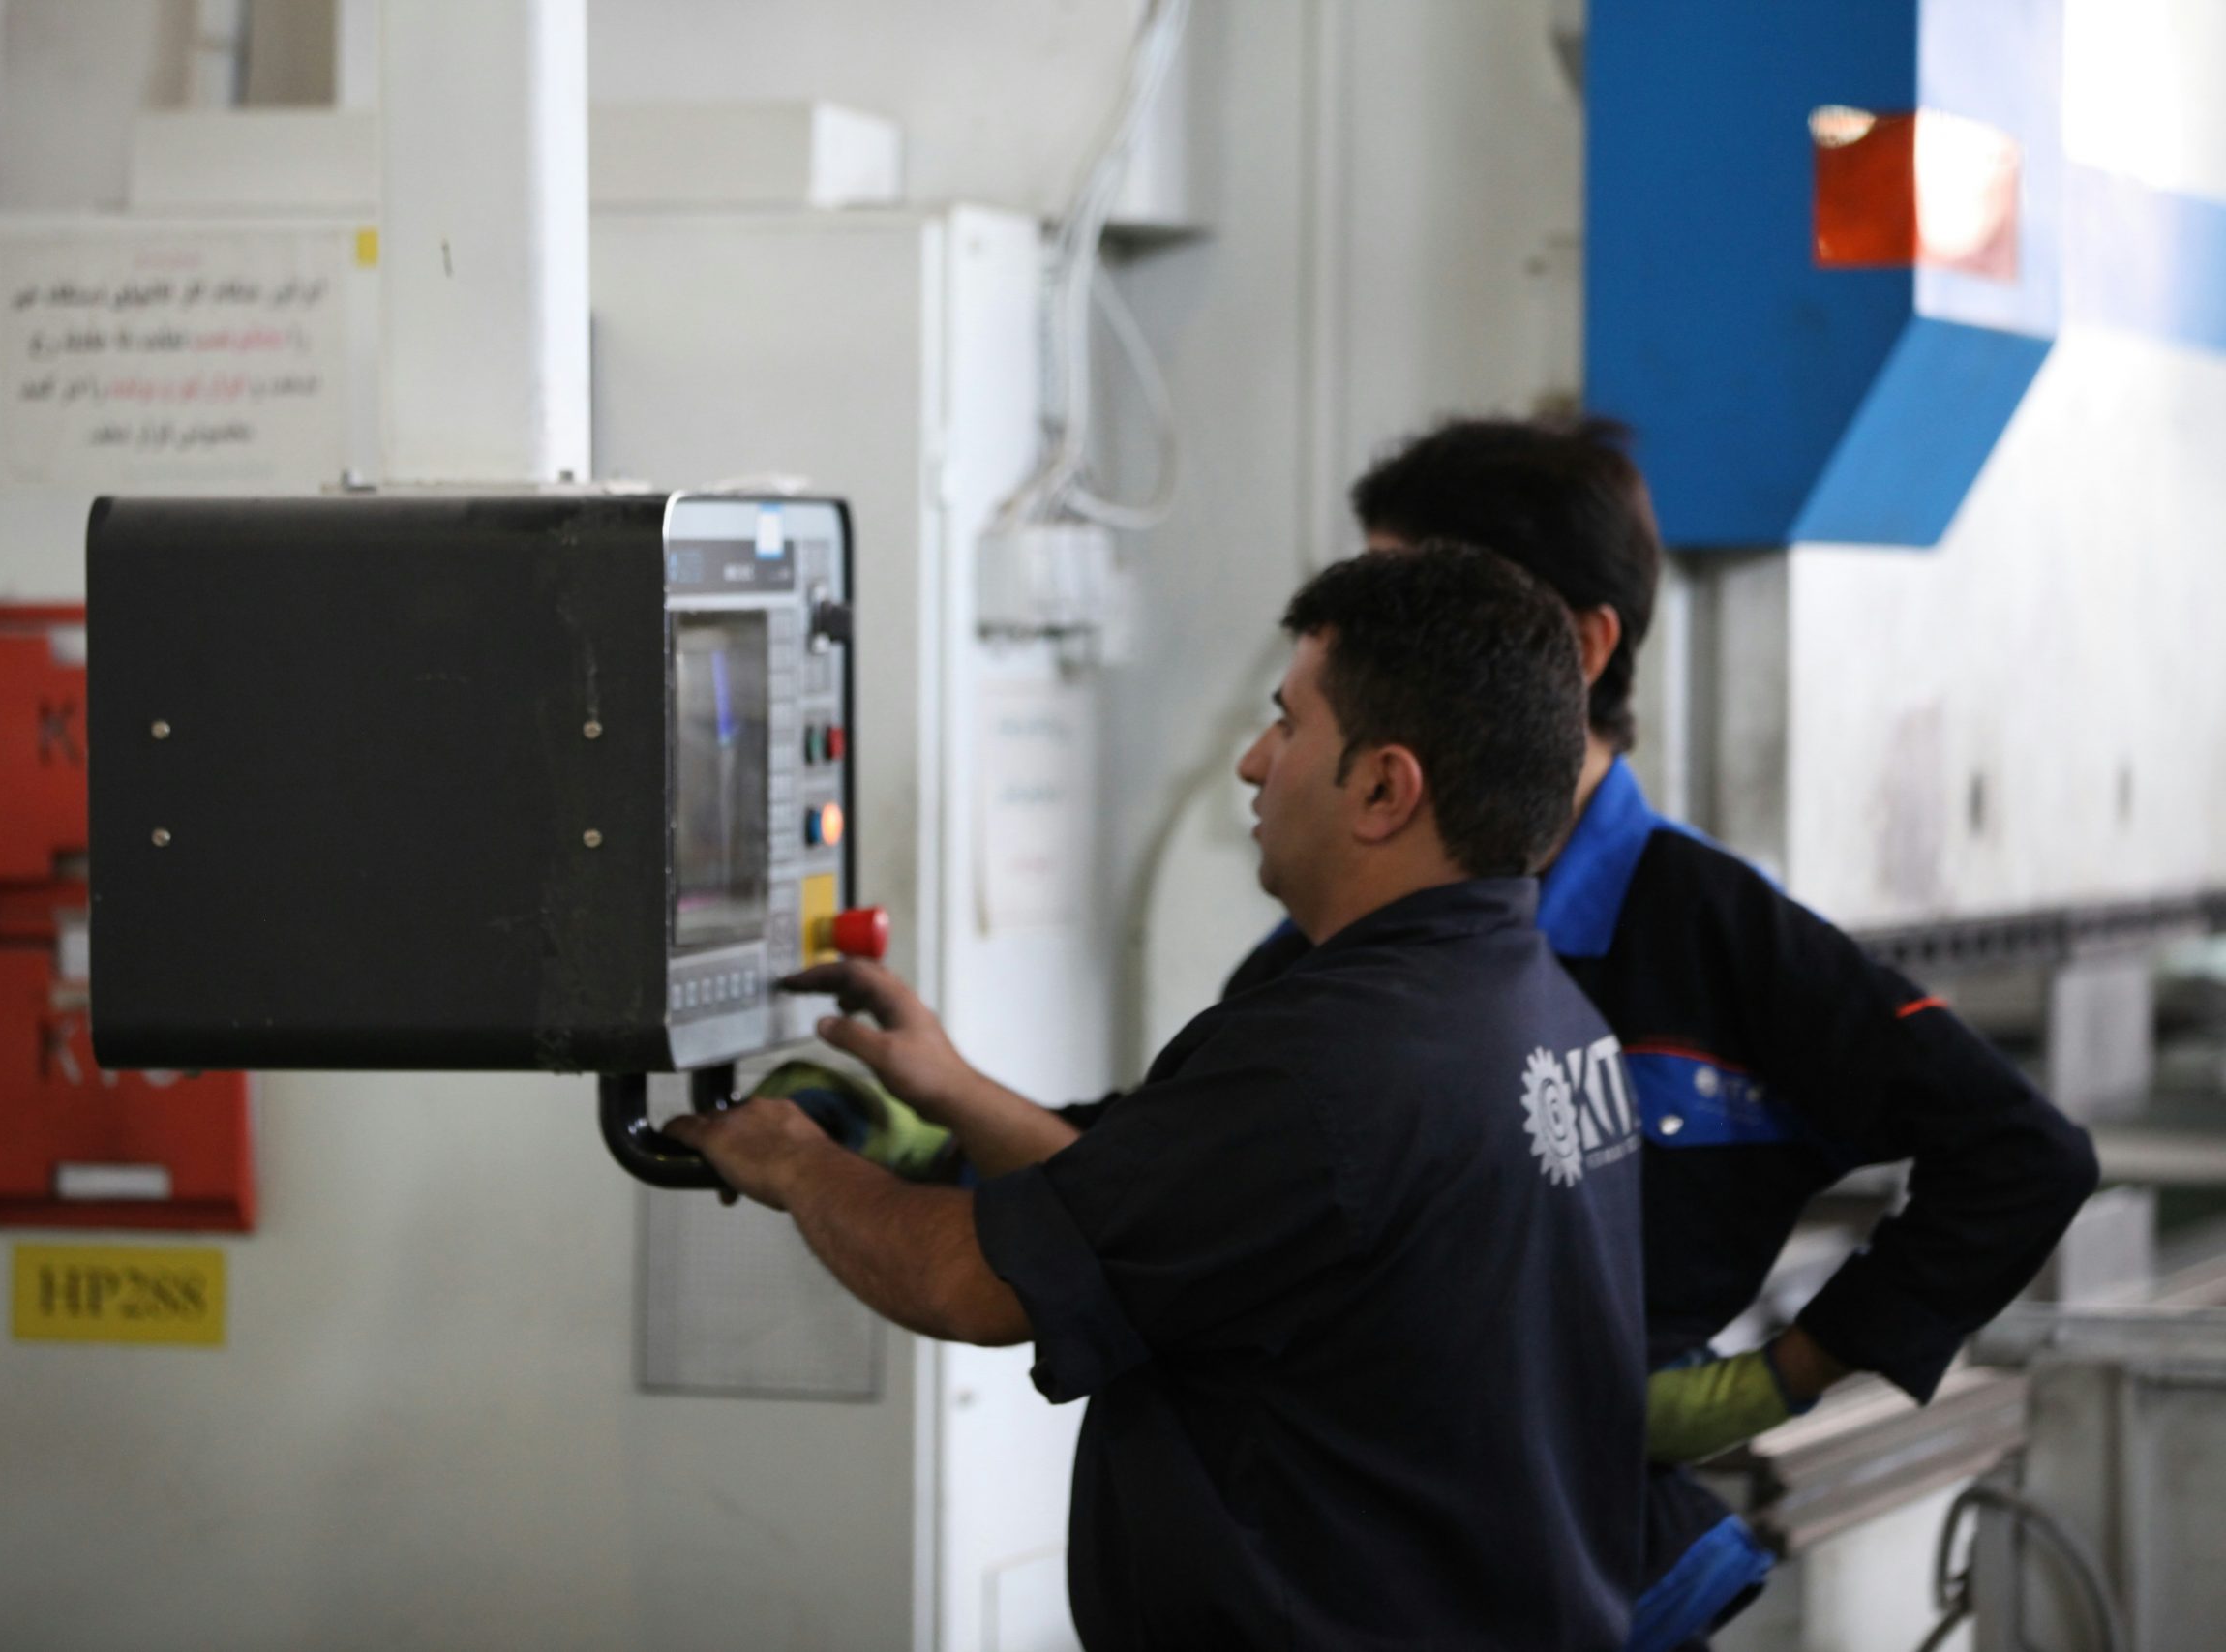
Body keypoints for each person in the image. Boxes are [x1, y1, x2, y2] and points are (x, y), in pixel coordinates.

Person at [1217, 418, 2103, 1650]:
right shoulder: (1325, 952)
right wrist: (943, 1122)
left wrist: (1782, 1376)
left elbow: (2019, 1153)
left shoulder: (1715, 941)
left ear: (1581, 648)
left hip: (1591, 1571)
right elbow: (1171, 1169)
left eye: (1428, 606)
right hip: (1365, 1567)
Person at [670, 544, 1648, 1650]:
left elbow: (966, 1284)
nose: (1249, 762)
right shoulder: (1544, 1018)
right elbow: (1175, 1213)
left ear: (1382, 786)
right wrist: (952, 1091)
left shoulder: (1329, 1061)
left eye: (1286, 724)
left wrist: (793, 1158)